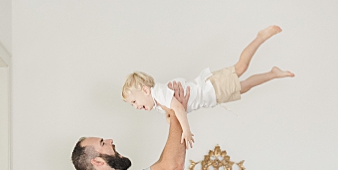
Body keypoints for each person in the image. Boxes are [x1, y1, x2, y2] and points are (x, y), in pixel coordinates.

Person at [121, 25, 294, 148]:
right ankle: (273, 73)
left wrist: (187, 131)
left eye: (134, 101)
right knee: (245, 87)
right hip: (213, 96)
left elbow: (179, 109)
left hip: (211, 88)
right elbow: (171, 115)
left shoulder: (159, 92)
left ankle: (260, 37)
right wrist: (169, 116)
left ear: (145, 90)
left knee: (240, 67)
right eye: (133, 105)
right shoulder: (158, 103)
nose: (136, 107)